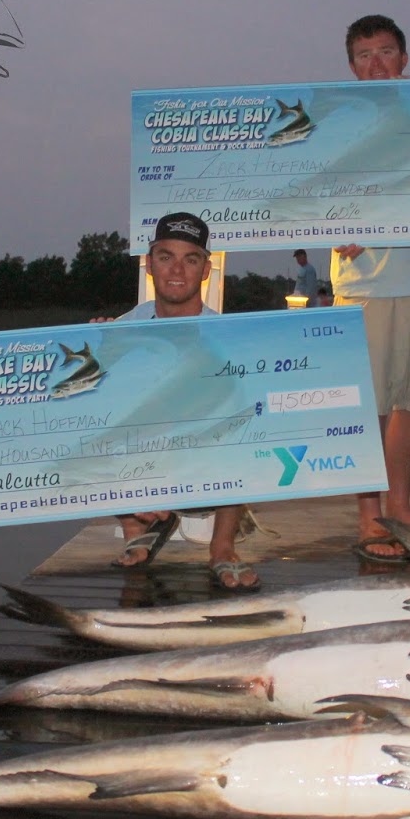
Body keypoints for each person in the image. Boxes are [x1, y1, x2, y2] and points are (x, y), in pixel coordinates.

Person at [334, 14, 410, 562]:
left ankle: (402, 508)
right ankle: (369, 516)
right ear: (352, 66)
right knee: (371, 406)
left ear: (404, 59)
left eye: (385, 52)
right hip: (368, 285)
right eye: (363, 55)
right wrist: (336, 226)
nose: (375, 64)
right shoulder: (336, 121)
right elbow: (310, 192)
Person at [100, 212, 259, 591]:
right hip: (145, 460)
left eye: (190, 259)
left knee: (246, 419)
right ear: (149, 263)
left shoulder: (233, 339)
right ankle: (135, 527)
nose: (176, 270)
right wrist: (93, 355)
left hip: (205, 467)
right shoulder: (118, 333)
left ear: (205, 269)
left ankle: (222, 546)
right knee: (95, 408)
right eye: (165, 256)